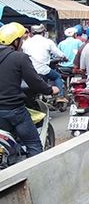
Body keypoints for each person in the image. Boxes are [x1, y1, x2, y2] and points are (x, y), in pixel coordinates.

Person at [0, 22, 59, 157]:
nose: (22, 43)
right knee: (34, 144)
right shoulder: (19, 57)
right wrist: (50, 90)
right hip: (14, 110)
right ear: (15, 41)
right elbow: (35, 82)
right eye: (21, 39)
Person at [22, 24, 68, 103]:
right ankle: (60, 96)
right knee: (57, 76)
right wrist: (64, 58)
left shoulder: (26, 43)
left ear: (31, 33)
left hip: (30, 69)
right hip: (43, 68)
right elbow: (58, 53)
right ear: (43, 32)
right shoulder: (47, 41)